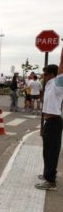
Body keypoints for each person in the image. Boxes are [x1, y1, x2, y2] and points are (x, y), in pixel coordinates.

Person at [35, 48, 63, 191]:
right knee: (47, 151)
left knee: (51, 152)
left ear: (53, 75)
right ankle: (47, 174)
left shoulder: (58, 84)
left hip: (54, 122)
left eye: (45, 74)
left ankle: (50, 181)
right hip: (49, 122)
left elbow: (61, 66)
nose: (43, 76)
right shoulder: (49, 84)